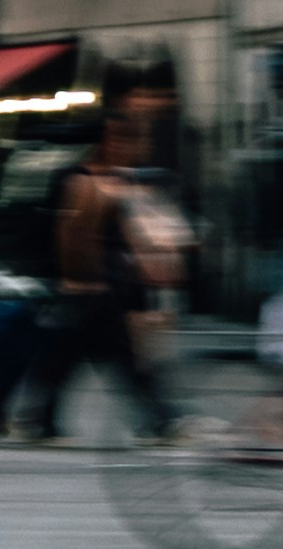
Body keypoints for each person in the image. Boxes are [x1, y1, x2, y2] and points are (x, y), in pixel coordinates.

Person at [29, 109, 186, 445]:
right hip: (89, 289)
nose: (137, 147)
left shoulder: (120, 181)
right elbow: (69, 237)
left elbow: (133, 235)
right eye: (129, 139)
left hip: (102, 288)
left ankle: (39, 420)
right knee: (118, 359)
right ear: (109, 142)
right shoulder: (82, 181)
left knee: (72, 359)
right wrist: (81, 281)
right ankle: (158, 422)